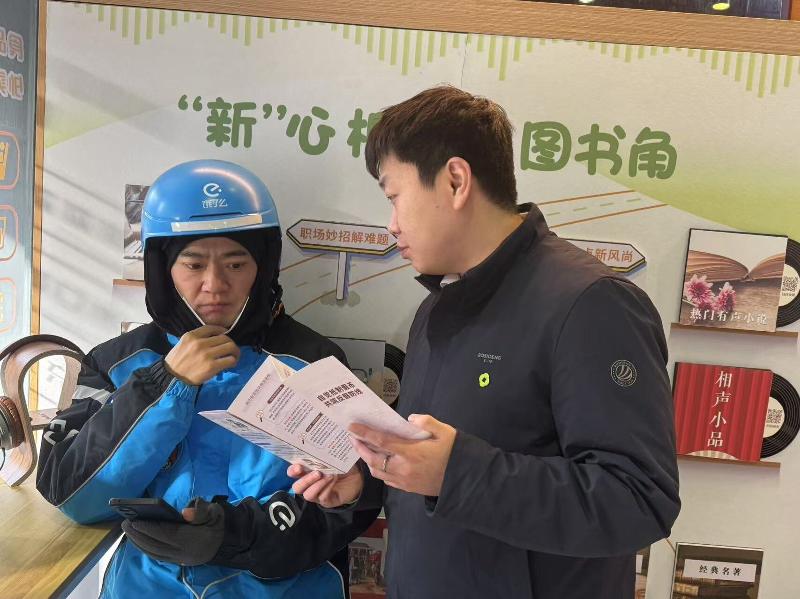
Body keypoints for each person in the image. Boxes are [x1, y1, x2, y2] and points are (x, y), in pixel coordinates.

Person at [290, 86, 681, 599]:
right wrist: (366, 479)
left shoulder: (591, 303)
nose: (391, 226)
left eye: (394, 197)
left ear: (455, 181)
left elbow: (638, 500)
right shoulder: (436, 308)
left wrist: (457, 473)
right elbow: (431, 465)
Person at [36, 160, 378, 598]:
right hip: (147, 587)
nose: (214, 285)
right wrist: (166, 382)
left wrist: (232, 535)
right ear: (163, 270)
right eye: (193, 265)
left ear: (263, 267)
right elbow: (73, 494)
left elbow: (344, 506)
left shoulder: (312, 361)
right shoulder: (116, 363)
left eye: (235, 264)